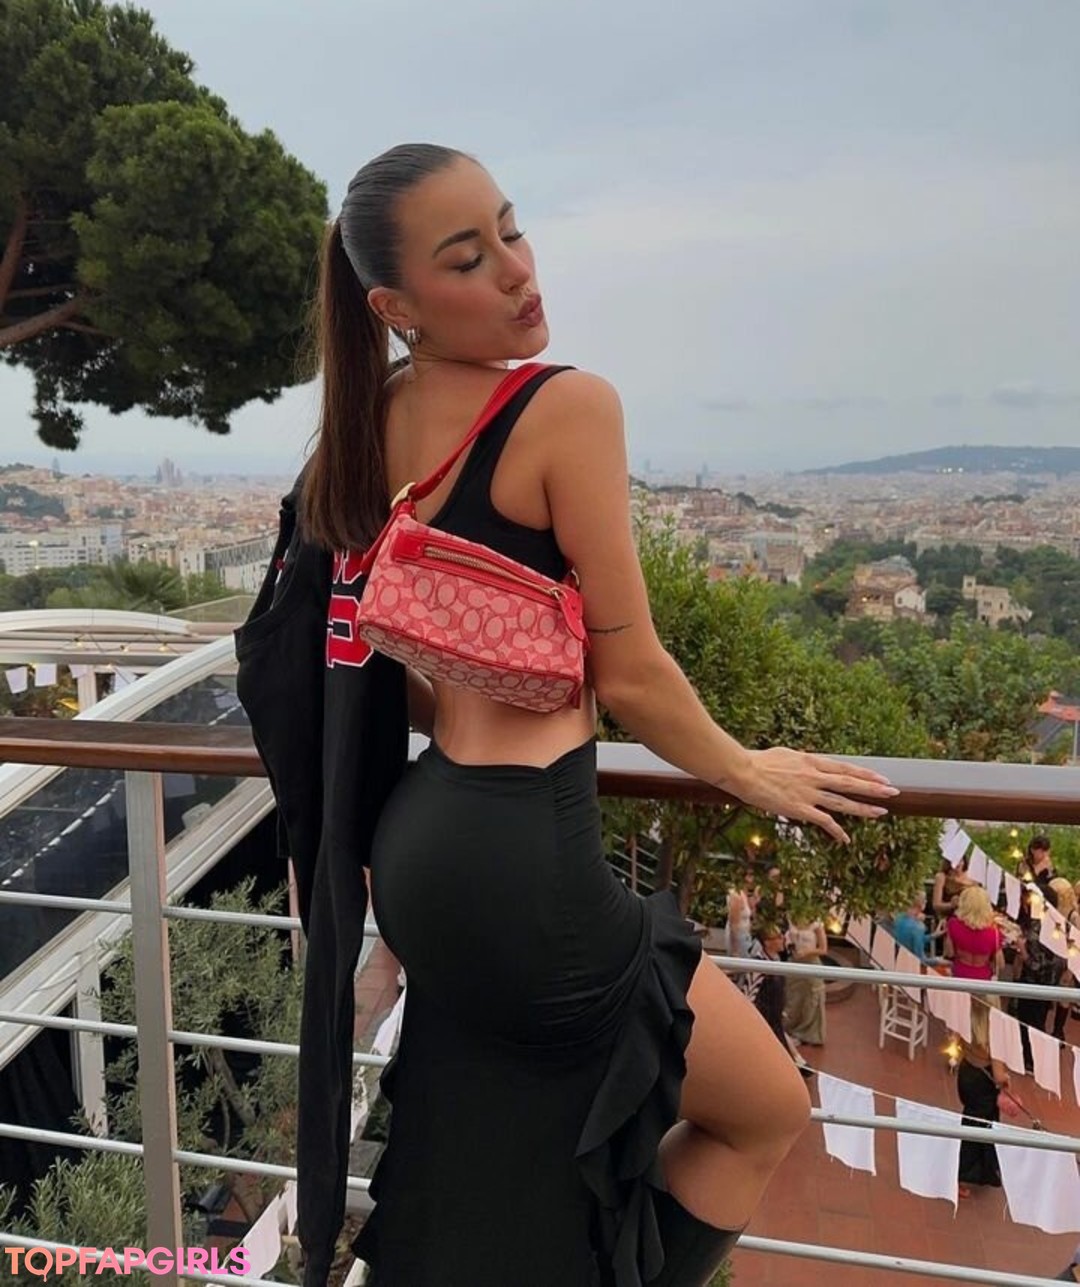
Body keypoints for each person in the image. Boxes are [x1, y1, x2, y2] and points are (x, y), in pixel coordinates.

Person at [298, 142, 898, 1287]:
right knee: (764, 1111)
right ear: (395, 306)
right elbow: (630, 673)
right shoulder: (565, 406)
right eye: (468, 259)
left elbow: (403, 661)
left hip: (422, 842)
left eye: (513, 230)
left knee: (492, 1148)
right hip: (526, 856)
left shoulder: (371, 418)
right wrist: (750, 771)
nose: (518, 270)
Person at [956, 998, 1008, 1198]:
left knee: (972, 1122)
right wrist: (1007, 1080)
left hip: (967, 1073)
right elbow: (999, 1075)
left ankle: (983, 1169)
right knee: (979, 1129)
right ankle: (963, 1175)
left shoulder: (966, 1019)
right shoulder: (994, 1032)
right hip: (983, 1084)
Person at [1016, 883, 1061, 1073]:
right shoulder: (1055, 924)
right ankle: (1033, 1058)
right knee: (1037, 1020)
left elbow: (1036, 964)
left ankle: (1031, 1061)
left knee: (1030, 1022)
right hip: (1049, 982)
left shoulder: (1041, 928)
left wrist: (1022, 949)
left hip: (1035, 982)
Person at [783, 918, 827, 1046]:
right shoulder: (791, 918)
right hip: (794, 963)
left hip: (811, 963)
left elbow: (823, 949)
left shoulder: (817, 925)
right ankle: (790, 1028)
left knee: (811, 998)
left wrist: (807, 952)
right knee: (793, 997)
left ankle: (805, 1033)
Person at [945, 886, 1003, 982]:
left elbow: (949, 953)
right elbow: (1000, 964)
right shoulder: (994, 933)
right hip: (983, 980)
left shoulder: (953, 924)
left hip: (959, 975)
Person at [1049, 878, 1079, 1041]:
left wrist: (1070, 969)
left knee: (1064, 995)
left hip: (1068, 959)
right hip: (1054, 955)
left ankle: (1058, 1031)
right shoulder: (1052, 910)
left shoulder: (1073, 916)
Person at [932, 854, 974, 920]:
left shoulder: (972, 876)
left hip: (969, 918)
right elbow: (936, 905)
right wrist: (951, 905)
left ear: (964, 861)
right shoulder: (942, 877)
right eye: (955, 861)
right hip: (949, 917)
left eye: (960, 860)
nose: (958, 864)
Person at [893, 892, 932, 962]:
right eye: (924, 899)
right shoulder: (918, 926)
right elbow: (920, 958)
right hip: (910, 962)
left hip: (896, 958)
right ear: (920, 903)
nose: (926, 901)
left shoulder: (898, 918)